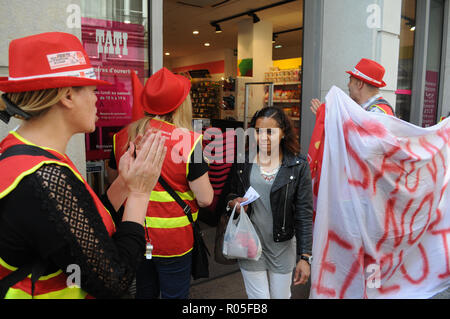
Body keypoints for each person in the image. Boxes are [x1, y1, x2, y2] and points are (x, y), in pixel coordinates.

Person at [0, 32, 167, 299]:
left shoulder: (24, 154)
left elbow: (79, 229)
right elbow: (114, 280)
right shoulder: (45, 178)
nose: (96, 99)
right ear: (67, 96)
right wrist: (140, 193)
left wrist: (124, 183)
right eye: (92, 90)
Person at [108, 67, 214, 299]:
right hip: (174, 240)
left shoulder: (121, 137)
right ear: (180, 104)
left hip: (134, 235)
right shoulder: (189, 142)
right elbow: (205, 199)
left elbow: (115, 185)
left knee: (145, 292)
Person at [225, 107, 313, 299]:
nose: (262, 137)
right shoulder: (243, 161)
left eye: (270, 132)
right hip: (249, 243)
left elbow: (304, 213)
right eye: (258, 131)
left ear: (283, 133)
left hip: (282, 247)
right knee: (258, 299)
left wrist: (305, 257)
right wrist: (235, 203)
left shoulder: (298, 166)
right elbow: (229, 194)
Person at [310, 58, 395, 116]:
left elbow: (356, 138)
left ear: (360, 84)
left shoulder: (378, 112)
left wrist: (326, 117)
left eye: (350, 81)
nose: (348, 85)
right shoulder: (369, 109)